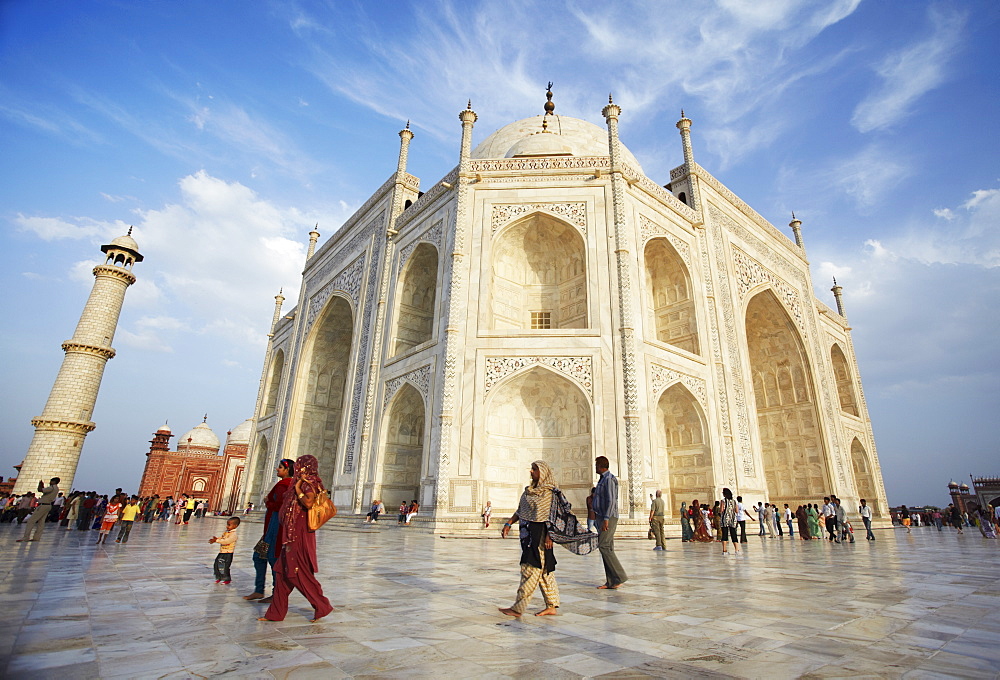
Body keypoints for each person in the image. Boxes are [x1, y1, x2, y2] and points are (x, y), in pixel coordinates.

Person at [498, 460, 597, 617]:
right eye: (532, 468)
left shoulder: (549, 494)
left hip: (540, 537)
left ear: (542, 473)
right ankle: (552, 604)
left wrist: (550, 536)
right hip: (529, 534)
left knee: (529, 568)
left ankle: (518, 608)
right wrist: (509, 523)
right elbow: (520, 511)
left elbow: (553, 517)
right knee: (545, 571)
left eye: (534, 469)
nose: (531, 471)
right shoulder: (530, 492)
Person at [259, 454, 334, 623]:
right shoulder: (298, 482)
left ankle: (322, 605)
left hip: (300, 534)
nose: (297, 468)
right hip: (290, 533)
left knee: (297, 573)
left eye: (299, 465)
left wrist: (299, 487)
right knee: (281, 573)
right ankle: (275, 613)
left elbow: (308, 503)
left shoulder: (310, 482)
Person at [245, 458, 295, 603]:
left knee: (273, 559)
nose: (277, 469)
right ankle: (259, 590)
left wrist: (268, 502)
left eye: (280, 467)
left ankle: (276, 593)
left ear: (287, 470)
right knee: (259, 556)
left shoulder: (283, 485)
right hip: (275, 526)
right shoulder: (291, 485)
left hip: (275, 526)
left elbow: (280, 506)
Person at [592, 456, 627, 589]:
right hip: (601, 516)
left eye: (596, 466)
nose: (595, 468)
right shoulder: (602, 480)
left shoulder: (609, 479)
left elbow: (612, 501)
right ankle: (612, 581)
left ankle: (619, 576)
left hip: (608, 517)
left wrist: (606, 519)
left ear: (601, 466)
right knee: (608, 547)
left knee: (604, 546)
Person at [16, 478, 60, 542]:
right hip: (48, 505)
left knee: (31, 521)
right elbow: (45, 491)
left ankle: (26, 537)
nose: (50, 482)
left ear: (54, 481)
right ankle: (37, 537)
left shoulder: (52, 487)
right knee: (41, 522)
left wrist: (40, 484)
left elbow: (40, 490)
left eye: (51, 481)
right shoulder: (56, 488)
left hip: (43, 505)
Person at [210, 516, 240, 584]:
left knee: (225, 566)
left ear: (235, 526)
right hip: (222, 552)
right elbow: (223, 538)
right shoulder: (226, 532)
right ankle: (219, 577)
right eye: (227, 524)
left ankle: (227, 579)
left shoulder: (233, 535)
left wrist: (217, 540)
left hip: (228, 553)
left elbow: (227, 541)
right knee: (217, 565)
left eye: (229, 525)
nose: (227, 526)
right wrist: (217, 539)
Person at [719, 488, 741, 555]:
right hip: (732, 519)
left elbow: (721, 510)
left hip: (725, 519)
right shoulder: (734, 501)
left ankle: (724, 550)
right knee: (733, 534)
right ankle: (737, 550)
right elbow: (737, 511)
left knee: (724, 534)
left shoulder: (723, 501)